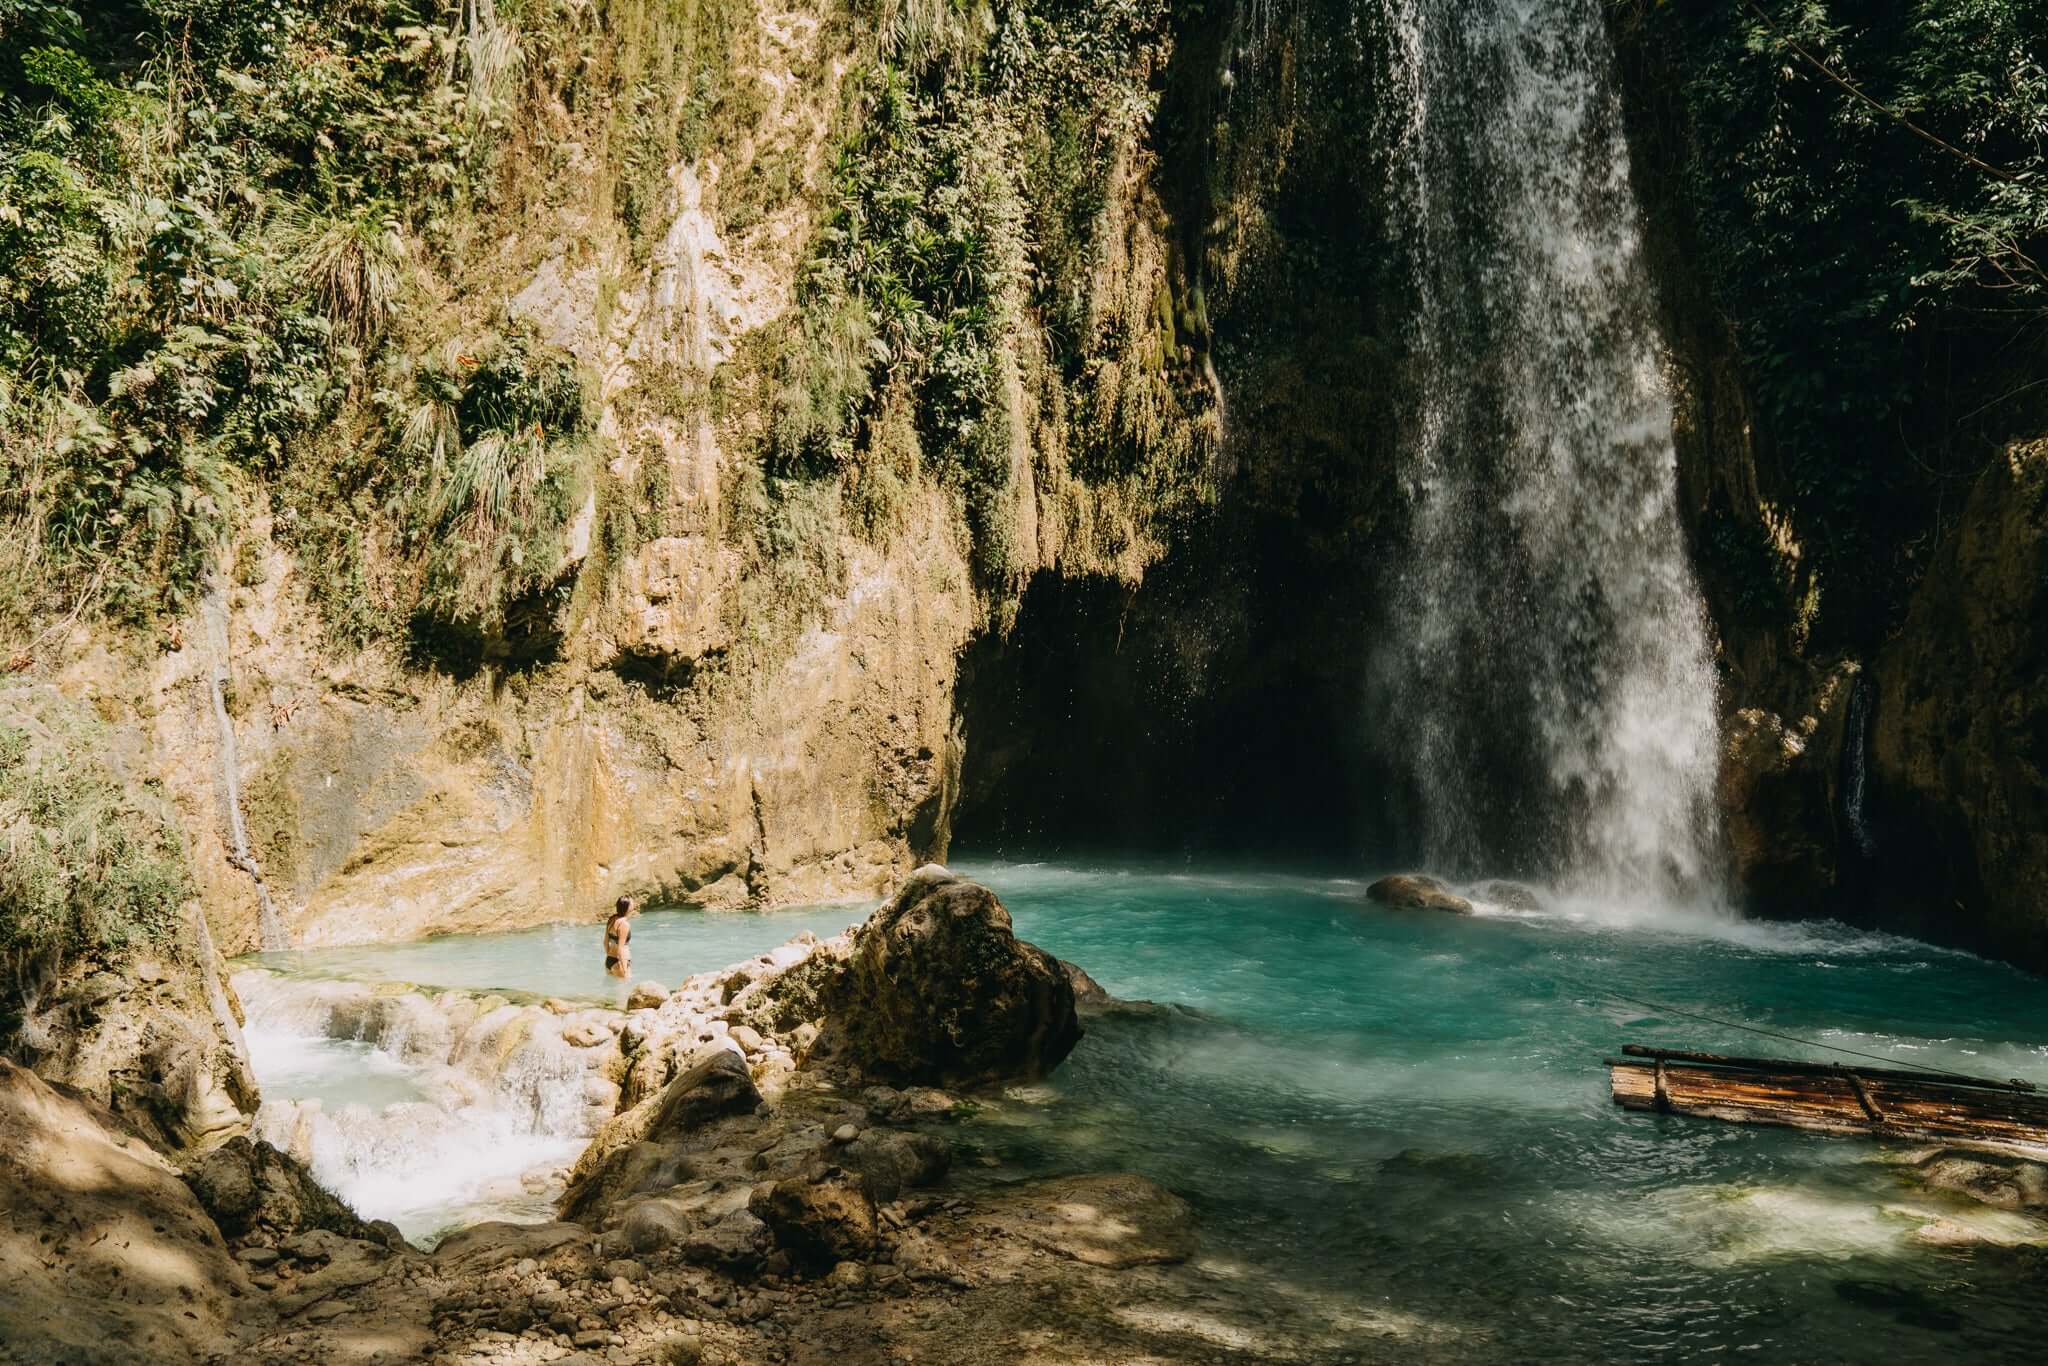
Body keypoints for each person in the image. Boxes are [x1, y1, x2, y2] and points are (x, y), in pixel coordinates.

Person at [604, 896, 635, 978]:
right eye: (632, 902)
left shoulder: (611, 919)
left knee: (612, 988)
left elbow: (605, 942)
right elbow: (620, 948)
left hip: (609, 960)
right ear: (627, 907)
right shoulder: (624, 924)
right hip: (620, 961)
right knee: (625, 987)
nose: (633, 903)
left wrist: (610, 959)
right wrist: (624, 968)